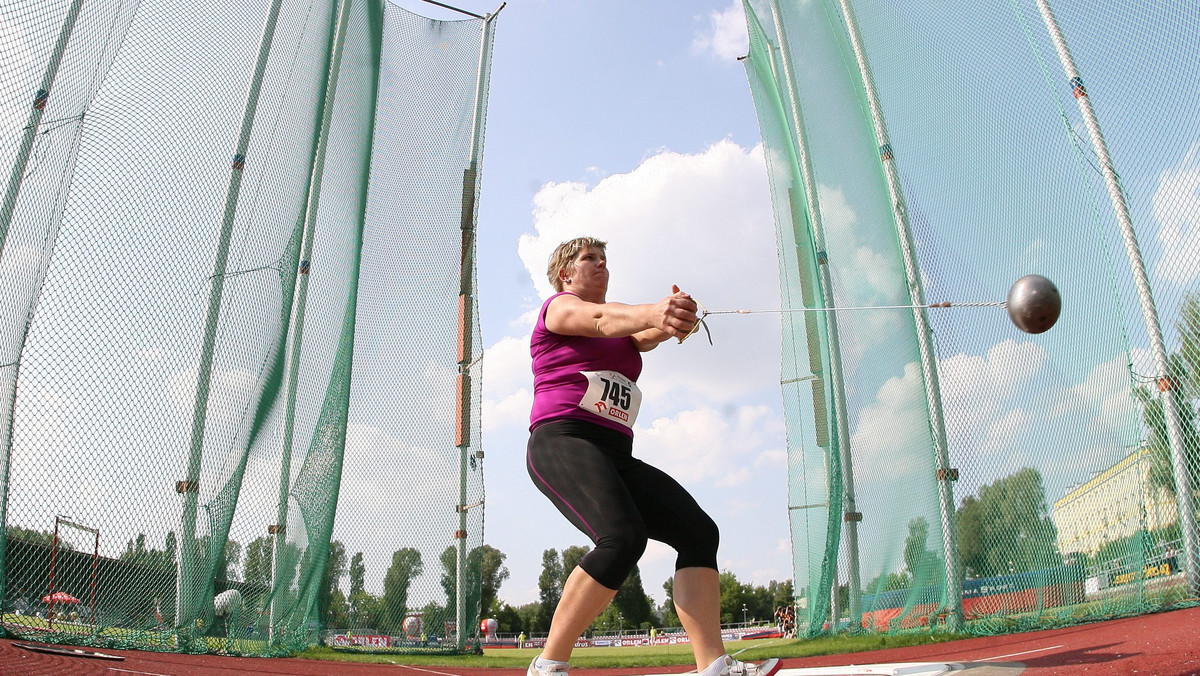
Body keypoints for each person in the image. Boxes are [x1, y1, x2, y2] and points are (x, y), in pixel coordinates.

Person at [525, 237, 778, 676]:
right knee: (622, 538)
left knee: (698, 531)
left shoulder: (623, 332)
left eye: (605, 258)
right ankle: (548, 665)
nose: (602, 263)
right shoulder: (560, 309)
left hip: (614, 452)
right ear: (566, 274)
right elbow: (603, 319)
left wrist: (679, 316)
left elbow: (644, 333)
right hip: (562, 442)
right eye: (589, 259)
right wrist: (656, 311)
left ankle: (714, 665)